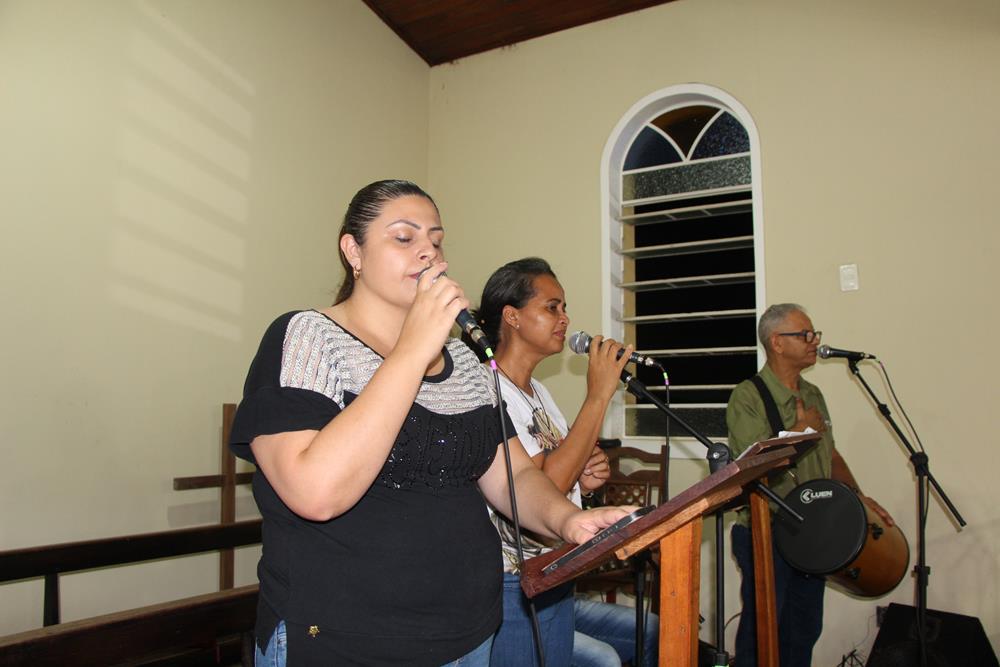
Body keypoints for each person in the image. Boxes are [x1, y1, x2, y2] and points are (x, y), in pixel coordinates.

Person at [228, 181, 632, 667]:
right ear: (353, 251)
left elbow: (515, 476)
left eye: (436, 241)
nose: (427, 252)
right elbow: (315, 493)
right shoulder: (306, 337)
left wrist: (568, 520)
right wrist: (413, 350)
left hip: (469, 634)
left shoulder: (466, 364)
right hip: (344, 639)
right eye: (404, 238)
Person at [475, 257, 659, 667]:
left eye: (564, 308)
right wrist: (598, 395)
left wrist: (584, 479)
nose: (565, 318)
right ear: (512, 317)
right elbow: (540, 487)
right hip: (512, 582)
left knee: (646, 634)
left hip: (554, 568)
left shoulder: (539, 392)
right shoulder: (485, 388)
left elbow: (559, 477)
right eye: (551, 307)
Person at [726, 303, 894, 667]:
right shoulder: (747, 396)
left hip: (813, 532)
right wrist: (801, 432)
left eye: (814, 334)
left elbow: (830, 455)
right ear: (777, 343)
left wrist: (859, 500)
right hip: (765, 531)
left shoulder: (813, 394)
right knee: (762, 633)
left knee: (803, 630)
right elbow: (750, 468)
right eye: (805, 335)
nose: (814, 341)